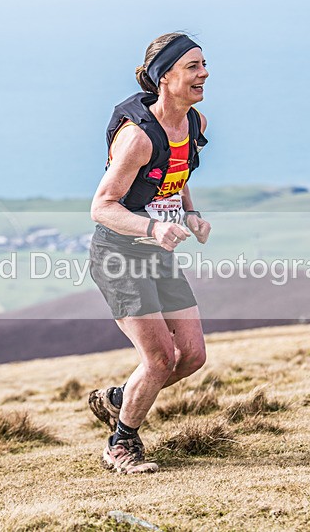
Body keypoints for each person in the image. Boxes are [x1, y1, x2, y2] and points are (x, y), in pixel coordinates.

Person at [88, 32, 212, 474]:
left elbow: (176, 175)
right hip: (119, 255)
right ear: (164, 77)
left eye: (203, 64)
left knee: (192, 356)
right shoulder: (137, 138)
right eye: (192, 66)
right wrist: (154, 227)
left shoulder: (194, 124)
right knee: (159, 360)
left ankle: (120, 398)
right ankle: (121, 444)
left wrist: (191, 214)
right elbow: (102, 207)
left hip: (156, 254)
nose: (204, 73)